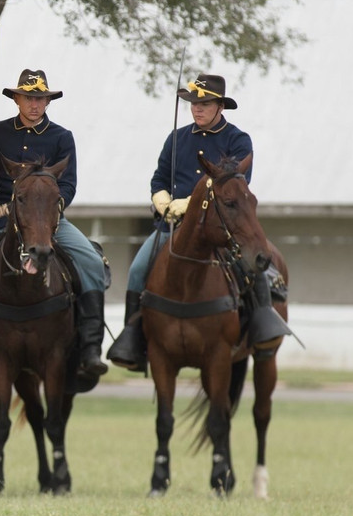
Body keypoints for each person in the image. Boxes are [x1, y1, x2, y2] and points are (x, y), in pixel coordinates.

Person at [108, 73, 270, 373]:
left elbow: (236, 185)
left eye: (205, 103)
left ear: (220, 106)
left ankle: (264, 326)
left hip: (221, 226)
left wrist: (191, 203)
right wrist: (161, 198)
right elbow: (159, 177)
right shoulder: (177, 137)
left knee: (252, 265)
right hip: (171, 226)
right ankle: (131, 338)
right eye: (194, 103)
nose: (197, 108)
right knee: (138, 269)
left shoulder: (237, 139)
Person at [0, 69, 109, 378]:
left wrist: (47, 214)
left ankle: (91, 348)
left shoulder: (61, 137)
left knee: (93, 264)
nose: (35, 105)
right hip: (2, 220)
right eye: (29, 98)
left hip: (50, 222)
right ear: (17, 99)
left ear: (47, 102)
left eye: (41, 99)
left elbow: (67, 186)